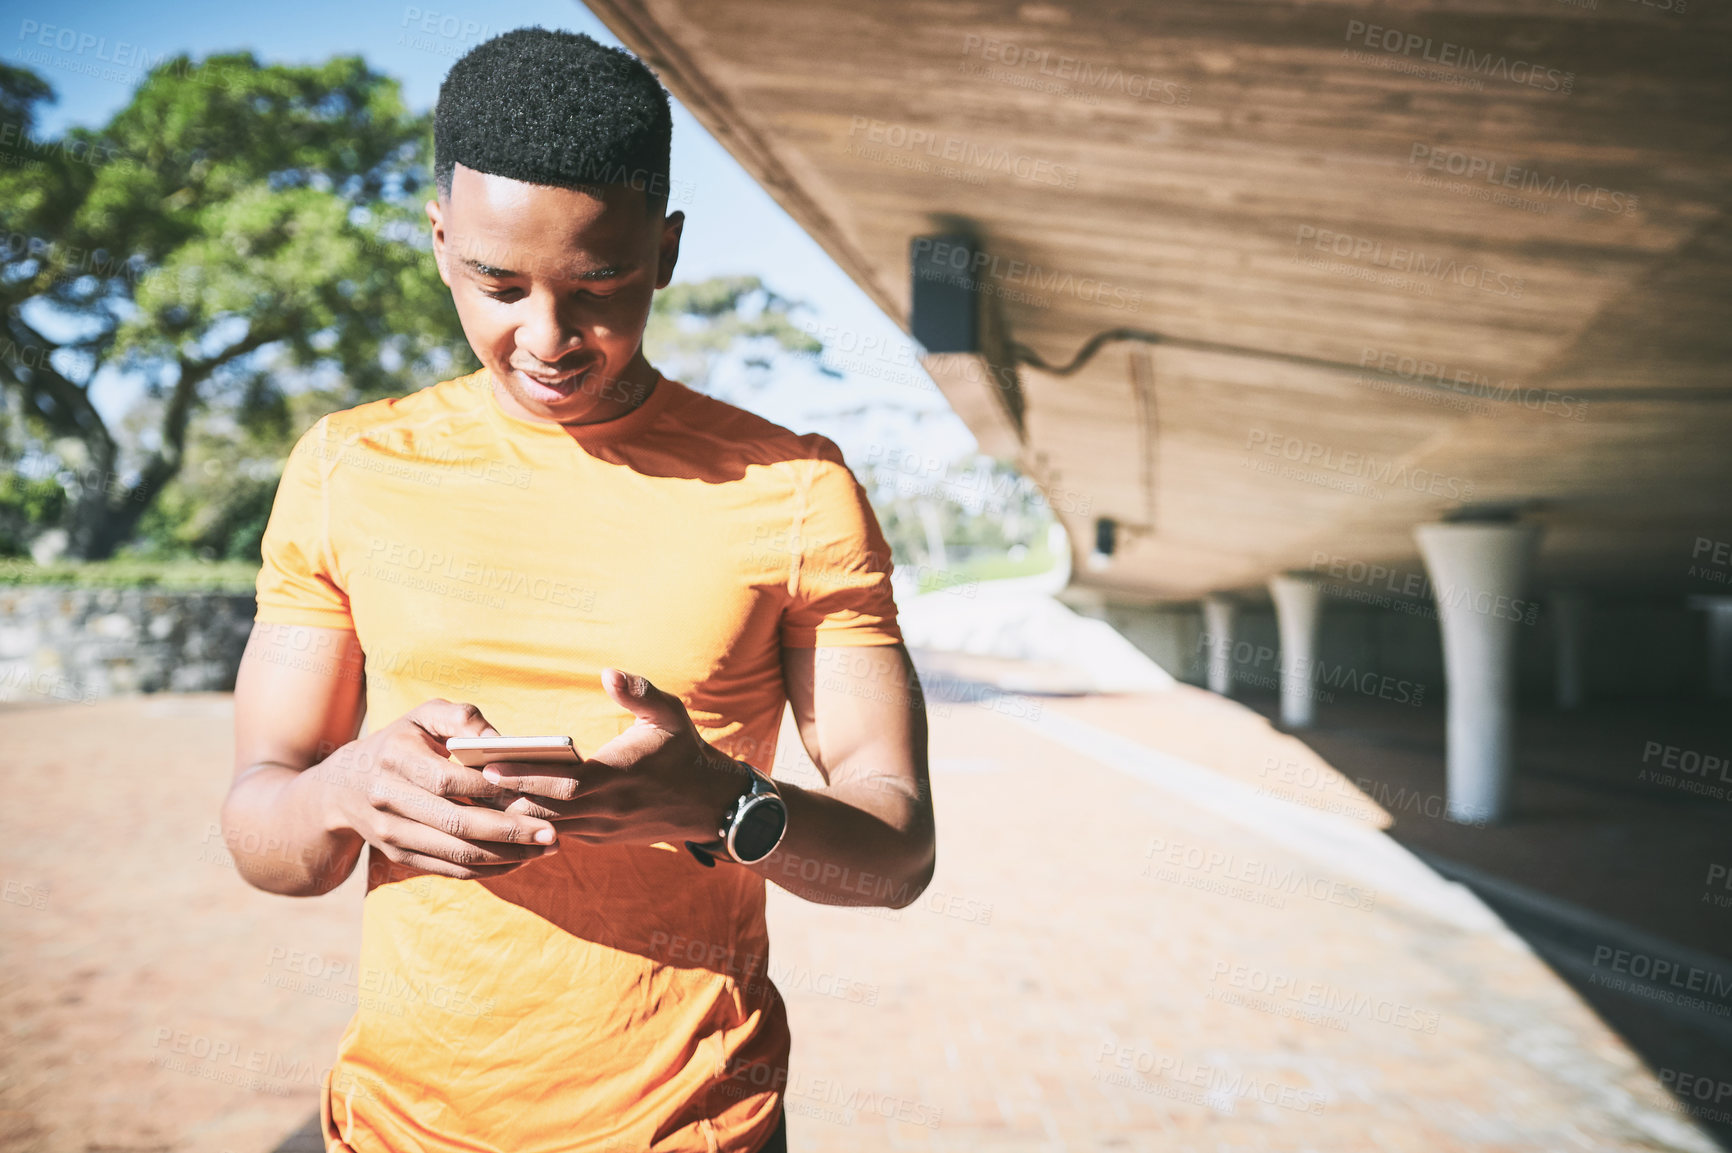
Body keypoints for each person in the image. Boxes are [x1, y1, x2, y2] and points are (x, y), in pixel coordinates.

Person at [221, 26, 935, 1152]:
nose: (546, 338)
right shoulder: (344, 469)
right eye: (495, 284)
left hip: (694, 1129)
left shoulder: (794, 489)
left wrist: (723, 806)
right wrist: (347, 789)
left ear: (665, 249)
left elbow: (897, 855)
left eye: (597, 285)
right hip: (395, 1128)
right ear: (439, 237)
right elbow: (267, 831)